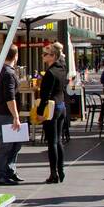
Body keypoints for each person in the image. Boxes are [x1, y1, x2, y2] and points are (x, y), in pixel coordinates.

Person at [37, 41, 69, 184]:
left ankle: (53, 174)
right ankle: (60, 170)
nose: (43, 56)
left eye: (45, 54)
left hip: (52, 108)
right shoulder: (62, 68)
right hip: (61, 106)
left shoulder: (50, 73)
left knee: (52, 142)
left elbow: (45, 96)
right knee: (58, 141)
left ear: (53, 56)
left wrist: (39, 112)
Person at [0, 44, 25, 186]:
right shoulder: (9, 73)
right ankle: (0, 174)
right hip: (7, 115)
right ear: (15, 56)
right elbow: (10, 97)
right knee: (6, 146)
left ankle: (9, 170)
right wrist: (16, 116)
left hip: (2, 112)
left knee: (15, 144)